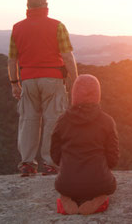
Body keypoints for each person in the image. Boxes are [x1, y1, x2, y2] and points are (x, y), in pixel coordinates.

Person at [8, 0, 78, 176]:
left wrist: (14, 83)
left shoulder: (17, 28)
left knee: (28, 120)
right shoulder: (57, 26)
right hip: (53, 79)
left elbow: (12, 60)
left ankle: (27, 163)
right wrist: (75, 80)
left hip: (28, 80)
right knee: (53, 121)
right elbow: (67, 57)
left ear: (28, 7)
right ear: (46, 6)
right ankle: (51, 163)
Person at [51, 74, 119, 215]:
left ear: (74, 95)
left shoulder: (62, 120)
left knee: (64, 187)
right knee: (110, 186)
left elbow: (55, 154)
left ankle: (66, 198)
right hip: (99, 182)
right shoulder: (107, 121)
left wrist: (66, 166)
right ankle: (100, 199)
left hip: (66, 183)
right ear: (97, 94)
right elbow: (113, 158)